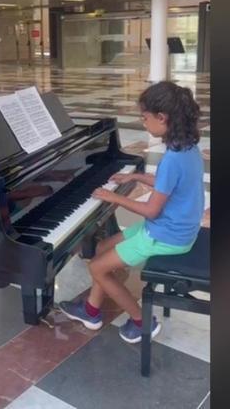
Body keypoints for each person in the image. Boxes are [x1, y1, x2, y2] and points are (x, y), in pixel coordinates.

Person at [59, 81, 205, 343]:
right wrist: (136, 177)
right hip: (175, 228)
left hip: (165, 235)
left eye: (145, 117)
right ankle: (91, 310)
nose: (143, 123)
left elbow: (150, 210)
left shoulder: (173, 159)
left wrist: (113, 197)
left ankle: (141, 321)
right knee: (103, 247)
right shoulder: (186, 148)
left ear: (162, 118)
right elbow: (167, 185)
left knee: (97, 267)